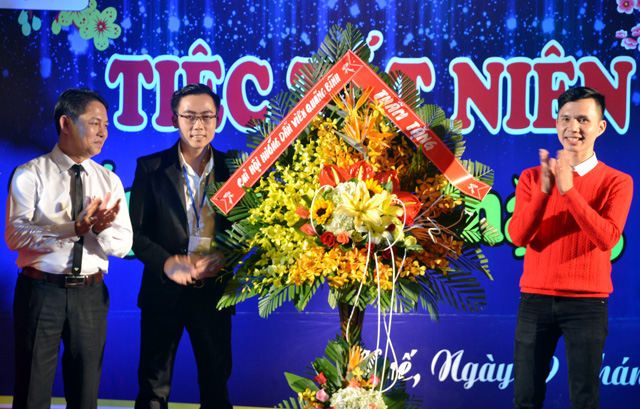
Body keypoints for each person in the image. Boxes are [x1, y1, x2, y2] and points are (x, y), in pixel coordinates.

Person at [5, 88, 133, 409]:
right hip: (40, 293)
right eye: (94, 123)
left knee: (85, 395)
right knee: (32, 394)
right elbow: (15, 236)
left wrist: (100, 229)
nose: (103, 132)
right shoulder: (29, 174)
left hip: (90, 297)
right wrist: (72, 228)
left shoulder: (109, 181)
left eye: (106, 124)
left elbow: (124, 245)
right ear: (66, 123)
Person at [509, 86, 633, 409]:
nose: (572, 127)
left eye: (582, 119)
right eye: (565, 119)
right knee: (525, 399)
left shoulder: (618, 182)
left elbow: (607, 238)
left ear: (600, 127)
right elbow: (518, 236)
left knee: (584, 400)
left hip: (587, 304)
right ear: (556, 123)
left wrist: (568, 190)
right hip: (535, 300)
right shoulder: (532, 177)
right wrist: (545, 191)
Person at [129, 83, 233, 409]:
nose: (198, 125)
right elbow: (135, 234)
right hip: (163, 293)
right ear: (175, 119)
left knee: (216, 388)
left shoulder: (236, 168)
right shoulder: (150, 167)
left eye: (207, 116)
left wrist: (227, 256)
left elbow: (251, 232)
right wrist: (166, 263)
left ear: (218, 119)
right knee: (153, 390)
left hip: (214, 293)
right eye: (189, 116)